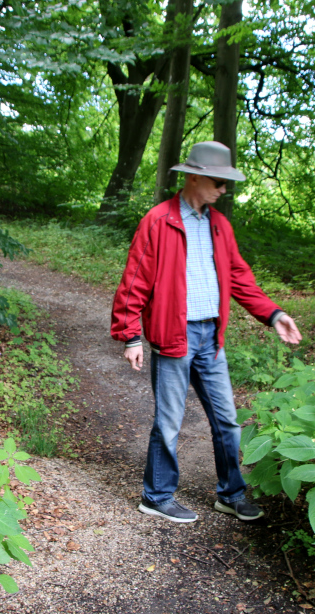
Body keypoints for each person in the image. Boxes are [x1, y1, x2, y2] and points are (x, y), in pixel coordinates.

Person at [111, 141, 302, 524]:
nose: (223, 189)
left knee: (227, 420)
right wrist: (131, 334)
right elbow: (135, 281)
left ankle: (230, 494)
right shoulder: (159, 220)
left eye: (225, 182)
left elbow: (239, 278)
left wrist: (273, 313)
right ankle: (157, 496)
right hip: (173, 336)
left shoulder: (219, 225)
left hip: (211, 339)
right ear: (194, 177)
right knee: (169, 421)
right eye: (218, 180)